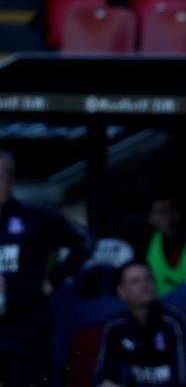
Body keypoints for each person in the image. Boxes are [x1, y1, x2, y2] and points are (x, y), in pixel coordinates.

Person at [0, 149, 92, 387]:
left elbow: (86, 241)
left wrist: (54, 278)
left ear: (10, 180)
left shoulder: (35, 218)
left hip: (26, 329)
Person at [94, 261, 186, 387]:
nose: (144, 285)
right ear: (121, 292)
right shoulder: (115, 325)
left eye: (148, 279)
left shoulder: (176, 322)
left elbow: (184, 380)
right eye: (135, 282)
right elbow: (103, 376)